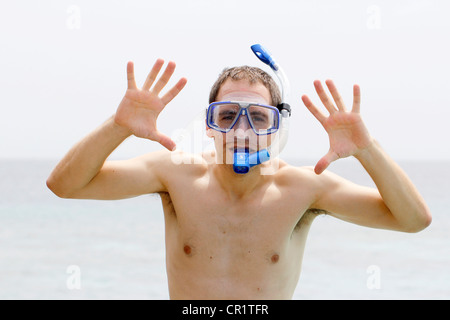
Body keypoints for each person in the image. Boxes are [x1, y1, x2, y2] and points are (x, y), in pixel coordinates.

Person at [47, 58, 431, 299]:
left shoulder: (305, 188)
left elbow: (413, 220)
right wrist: (118, 127)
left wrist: (367, 149)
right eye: (227, 116)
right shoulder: (175, 175)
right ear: (209, 125)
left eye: (259, 117)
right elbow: (65, 185)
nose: (242, 131)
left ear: (276, 128)